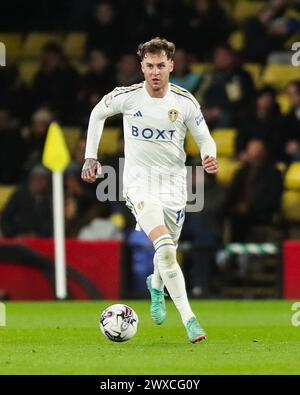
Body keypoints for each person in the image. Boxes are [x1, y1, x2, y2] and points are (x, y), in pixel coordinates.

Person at [81, 37, 218, 343]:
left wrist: (210, 155)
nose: (155, 72)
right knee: (167, 249)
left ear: (171, 65)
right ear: (141, 66)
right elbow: (97, 114)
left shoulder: (184, 101)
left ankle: (156, 285)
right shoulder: (128, 96)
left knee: (167, 254)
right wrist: (91, 156)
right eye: (149, 66)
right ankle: (190, 320)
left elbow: (205, 137)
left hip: (174, 187)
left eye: (160, 65)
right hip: (138, 184)